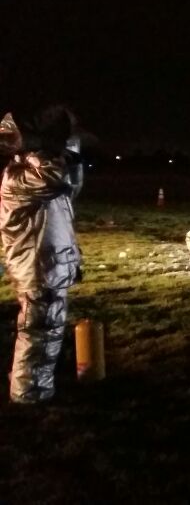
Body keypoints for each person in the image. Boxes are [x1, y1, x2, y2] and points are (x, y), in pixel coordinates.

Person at [2, 105, 83, 403]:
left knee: (46, 330)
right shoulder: (18, 179)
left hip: (48, 266)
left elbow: (70, 186)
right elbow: (53, 176)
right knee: (38, 331)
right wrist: (47, 149)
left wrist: (70, 151)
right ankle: (27, 393)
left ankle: (35, 385)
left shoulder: (42, 180)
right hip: (37, 269)